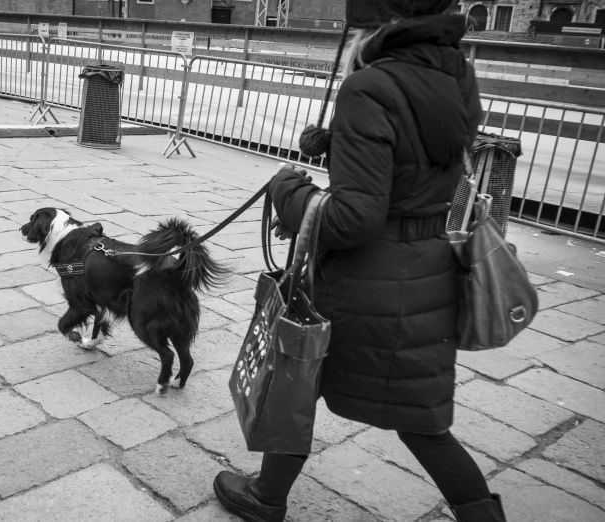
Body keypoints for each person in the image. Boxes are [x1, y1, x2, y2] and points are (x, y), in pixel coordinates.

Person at [213, 1, 507, 521]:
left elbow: (355, 219)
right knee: (414, 413)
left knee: (301, 375)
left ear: (374, 24)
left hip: (366, 279)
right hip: (425, 269)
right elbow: (414, 162)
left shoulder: (368, 87)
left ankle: (266, 497)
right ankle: (269, 494)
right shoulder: (454, 72)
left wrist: (288, 190)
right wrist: (338, 147)